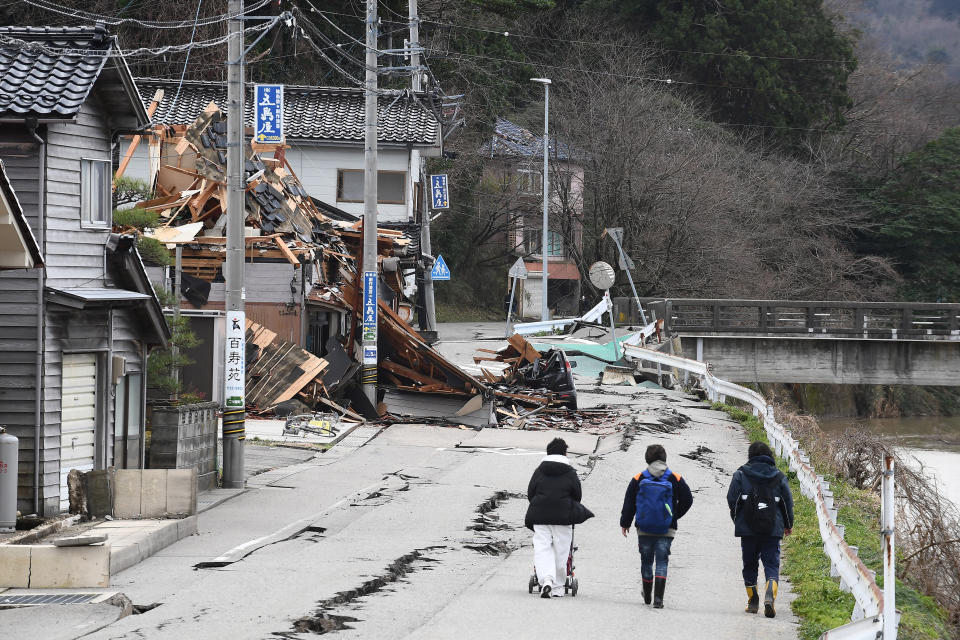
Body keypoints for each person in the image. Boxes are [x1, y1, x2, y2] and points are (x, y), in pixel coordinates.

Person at [619, 444, 693, 608]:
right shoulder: (675, 478)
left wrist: (625, 523)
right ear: (665, 458)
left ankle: (647, 595)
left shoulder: (639, 478)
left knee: (646, 561)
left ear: (647, 459)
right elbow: (688, 500)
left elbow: (629, 502)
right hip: (667, 529)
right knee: (662, 561)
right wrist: (673, 516)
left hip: (644, 528)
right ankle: (658, 599)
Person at [726, 441, 795, 618]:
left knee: (749, 564)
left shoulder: (740, 474)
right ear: (769, 456)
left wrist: (738, 520)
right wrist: (788, 525)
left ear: (751, 456)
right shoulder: (779, 476)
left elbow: (732, 499)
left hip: (748, 529)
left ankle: (753, 601)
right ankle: (770, 597)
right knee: (771, 564)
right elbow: (787, 504)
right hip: (772, 530)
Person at [525, 437, 594, 599]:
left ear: (548, 453)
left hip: (540, 516)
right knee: (561, 552)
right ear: (565, 453)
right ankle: (557, 587)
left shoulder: (539, 470)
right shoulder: (570, 473)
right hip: (563, 518)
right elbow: (578, 495)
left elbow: (530, 493)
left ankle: (546, 580)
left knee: (542, 549)